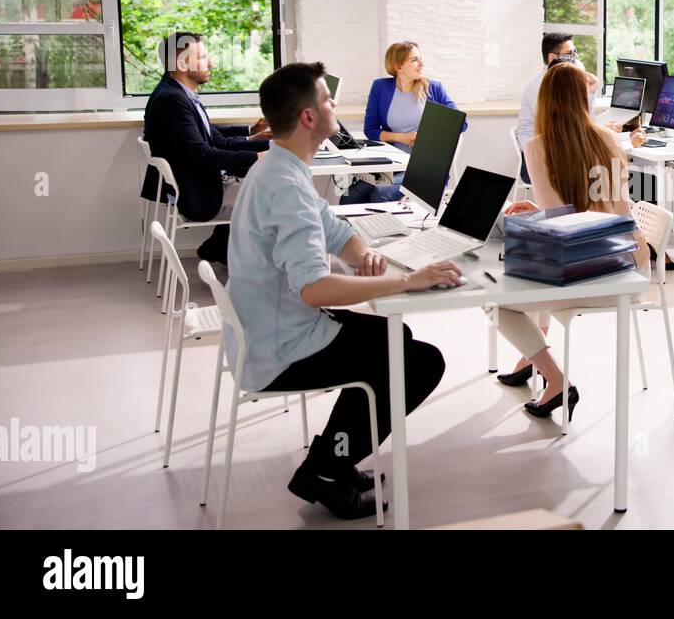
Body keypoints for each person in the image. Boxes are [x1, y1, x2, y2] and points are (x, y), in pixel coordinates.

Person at [226, 61, 460, 520]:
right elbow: (315, 289)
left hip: (269, 328)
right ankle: (326, 473)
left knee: (398, 342)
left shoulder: (281, 166)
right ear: (309, 118)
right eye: (328, 100)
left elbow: (331, 227)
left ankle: (331, 459)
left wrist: (359, 254)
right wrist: (405, 280)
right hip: (279, 347)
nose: (336, 106)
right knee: (419, 361)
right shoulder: (285, 185)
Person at [494, 62, 649, 420]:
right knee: (536, 271)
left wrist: (537, 211)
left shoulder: (537, 146)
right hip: (631, 259)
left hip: (592, 267)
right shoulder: (609, 137)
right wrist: (541, 208)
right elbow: (597, 206)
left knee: (500, 301)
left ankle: (555, 379)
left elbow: (561, 223)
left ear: (545, 101)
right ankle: (528, 360)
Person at [140, 32, 271, 265]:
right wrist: (260, 157)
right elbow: (202, 154)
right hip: (200, 195)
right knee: (276, 197)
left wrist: (260, 139)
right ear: (182, 64)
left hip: (202, 183)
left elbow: (214, 138)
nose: (210, 62)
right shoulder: (172, 100)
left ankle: (220, 248)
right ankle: (255, 271)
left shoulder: (177, 92)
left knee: (262, 182)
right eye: (202, 57)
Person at [345, 41, 464, 204]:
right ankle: (356, 230)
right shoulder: (381, 87)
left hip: (425, 168)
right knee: (350, 196)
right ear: (398, 66)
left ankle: (386, 230)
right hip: (392, 163)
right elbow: (370, 129)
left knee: (380, 193)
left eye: (420, 59)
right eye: (415, 60)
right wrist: (401, 138)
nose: (422, 64)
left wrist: (425, 137)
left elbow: (461, 124)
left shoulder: (434, 88)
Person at [516, 32, 600, 182]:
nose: (575, 58)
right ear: (553, 58)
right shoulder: (540, 87)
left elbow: (582, 119)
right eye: (570, 54)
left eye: (575, 52)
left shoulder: (568, 78)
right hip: (537, 159)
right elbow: (567, 126)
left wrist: (590, 93)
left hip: (559, 150)